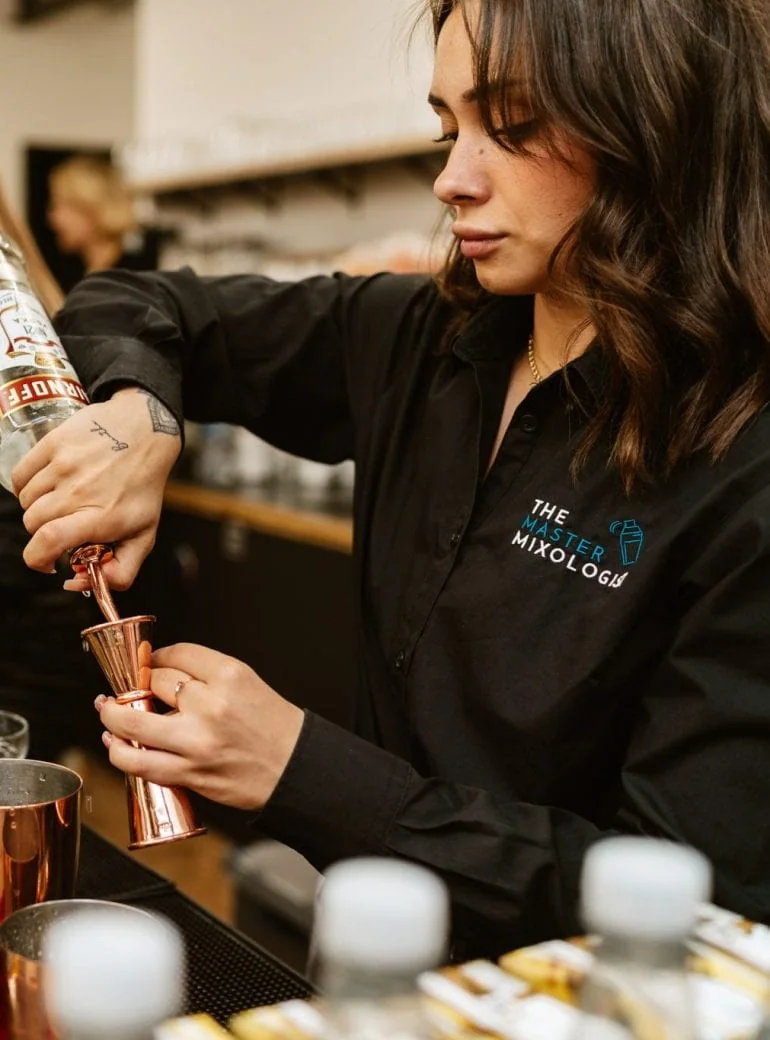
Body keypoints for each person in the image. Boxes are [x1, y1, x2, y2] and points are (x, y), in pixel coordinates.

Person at [12, 0, 770, 957]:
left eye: (515, 125)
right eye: (449, 126)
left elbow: (695, 907)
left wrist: (299, 768)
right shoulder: (426, 338)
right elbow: (143, 302)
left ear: (657, 123)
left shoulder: (743, 462)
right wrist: (146, 419)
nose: (451, 178)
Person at [46, 156, 156, 286]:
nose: (53, 218)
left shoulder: (131, 279)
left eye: (60, 206)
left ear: (93, 208)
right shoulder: (74, 272)